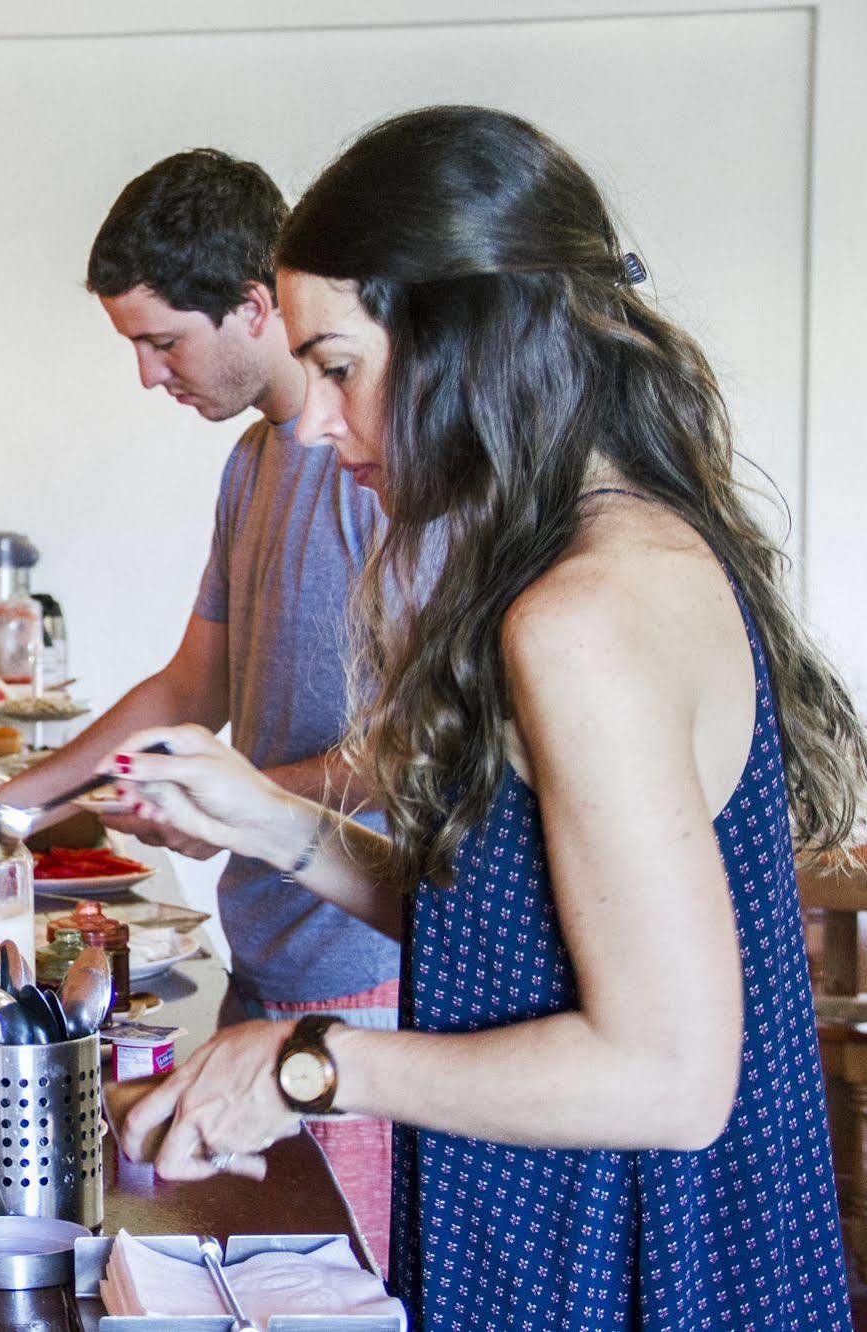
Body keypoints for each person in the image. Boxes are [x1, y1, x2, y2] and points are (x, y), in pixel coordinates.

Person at [107, 106, 865, 1329]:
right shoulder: (616, 545)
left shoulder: (579, 617)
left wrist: (306, 1065)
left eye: (341, 367)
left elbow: (668, 1079)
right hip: (596, 1228)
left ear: (471, 338)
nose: (311, 419)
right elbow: (513, 936)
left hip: (625, 1260)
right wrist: (274, 823)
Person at [0, 147, 403, 1267]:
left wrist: (234, 802)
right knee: (247, 1271)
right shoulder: (251, 466)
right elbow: (191, 685)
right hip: (268, 950)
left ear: (255, 307)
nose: (145, 374)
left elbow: (410, 761)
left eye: (161, 340)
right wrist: (1, 812)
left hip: (365, 973)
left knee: (341, 1283)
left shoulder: (373, 467)